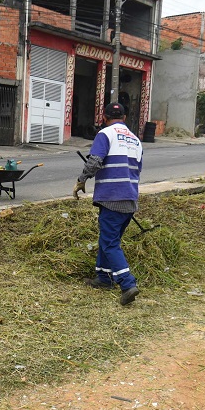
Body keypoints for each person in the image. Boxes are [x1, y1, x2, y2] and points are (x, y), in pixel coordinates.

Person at [73, 102, 143, 306]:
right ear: (125, 118)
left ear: (104, 118)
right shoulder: (136, 140)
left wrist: (82, 179)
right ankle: (103, 278)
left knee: (110, 243)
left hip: (112, 198)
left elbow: (94, 161)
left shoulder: (105, 134)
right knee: (109, 239)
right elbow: (137, 169)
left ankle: (128, 284)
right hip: (130, 199)